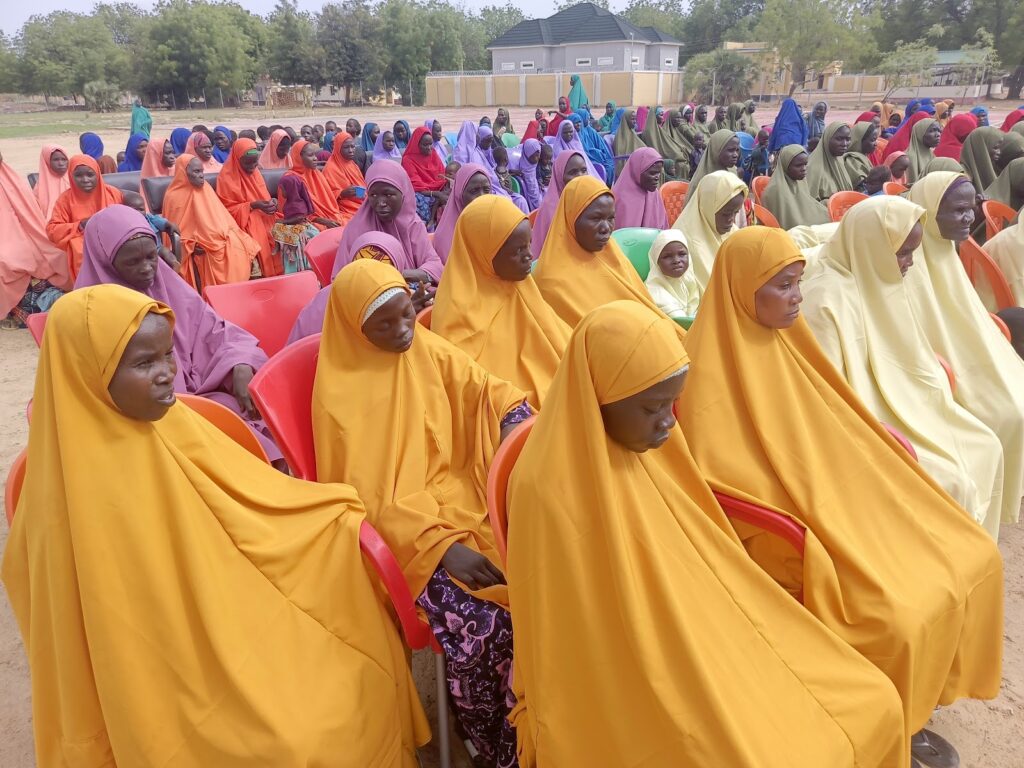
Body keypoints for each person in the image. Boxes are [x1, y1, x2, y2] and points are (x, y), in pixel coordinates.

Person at [2, 282, 428, 767]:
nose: (169, 375)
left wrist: (331, 519)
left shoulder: (174, 422)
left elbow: (256, 502)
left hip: (238, 609)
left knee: (356, 659)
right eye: (145, 364)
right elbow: (119, 647)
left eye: (166, 356)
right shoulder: (63, 506)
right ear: (87, 374)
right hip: (171, 680)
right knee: (295, 742)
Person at [506, 299, 907, 768]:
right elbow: (579, 638)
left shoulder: (643, 444)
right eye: (652, 408)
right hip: (637, 661)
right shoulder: (548, 491)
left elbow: (693, 538)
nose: (670, 423)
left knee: (872, 699)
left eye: (672, 404)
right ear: (596, 398)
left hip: (696, 614)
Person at [678, 225, 1004, 766]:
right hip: (800, 524)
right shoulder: (707, 375)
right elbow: (723, 483)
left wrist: (876, 461)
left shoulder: (790, 342)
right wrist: (817, 513)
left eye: (797, 282)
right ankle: (896, 714)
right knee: (897, 613)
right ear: (740, 289)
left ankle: (923, 698)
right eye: (782, 286)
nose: (797, 298)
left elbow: (839, 415)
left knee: (972, 554)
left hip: (844, 499)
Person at [313, 259, 530, 767]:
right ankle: (494, 744)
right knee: (487, 626)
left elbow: (485, 388)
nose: (402, 331)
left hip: (463, 496)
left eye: (407, 315)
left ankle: (538, 714)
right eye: (383, 325)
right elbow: (365, 499)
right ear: (355, 330)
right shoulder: (341, 398)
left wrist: (513, 422)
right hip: (407, 536)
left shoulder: (422, 348)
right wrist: (443, 547)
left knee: (551, 568)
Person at [802, 195, 1006, 530]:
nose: (910, 261)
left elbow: (911, 354)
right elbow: (829, 393)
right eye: (902, 252)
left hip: (907, 403)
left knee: (986, 445)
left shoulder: (885, 278)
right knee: (953, 481)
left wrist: (928, 392)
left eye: (912, 251)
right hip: (868, 422)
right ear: (871, 246)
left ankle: (973, 548)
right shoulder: (825, 300)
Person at [74, 205, 281, 464]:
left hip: (198, 400)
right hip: (139, 422)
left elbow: (218, 331)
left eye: (152, 256)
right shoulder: (87, 313)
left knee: (257, 427)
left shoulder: (169, 286)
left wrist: (240, 362)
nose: (148, 268)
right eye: (132, 262)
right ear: (106, 261)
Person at [906, 172, 1024, 531]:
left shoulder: (945, 252)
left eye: (971, 208)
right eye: (957, 210)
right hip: (938, 369)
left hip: (968, 356)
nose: (969, 218)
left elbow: (968, 322)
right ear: (928, 212)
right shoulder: (908, 259)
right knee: (1006, 411)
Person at [432, 195, 569, 408]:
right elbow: (469, 386)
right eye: (517, 251)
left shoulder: (521, 286)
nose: (529, 256)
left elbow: (558, 340)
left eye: (529, 245)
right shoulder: (457, 312)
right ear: (484, 254)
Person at [534, 175, 684, 339]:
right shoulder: (550, 280)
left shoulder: (613, 257)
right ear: (571, 218)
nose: (606, 228)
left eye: (611, 218)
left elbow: (644, 308)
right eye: (596, 218)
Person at [331, 161, 443, 282]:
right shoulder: (357, 228)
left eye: (388, 194)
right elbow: (341, 279)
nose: (381, 203)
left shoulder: (413, 224)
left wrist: (398, 275)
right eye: (373, 195)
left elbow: (435, 266)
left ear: (403, 194)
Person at [162, 155, 261, 288]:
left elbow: (224, 220)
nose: (201, 176)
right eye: (196, 172)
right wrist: (190, 245)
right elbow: (173, 234)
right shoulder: (173, 196)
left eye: (202, 171)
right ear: (183, 173)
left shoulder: (206, 188)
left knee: (241, 243)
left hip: (218, 239)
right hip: (196, 247)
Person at [0, 149, 69, 322]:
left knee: (55, 253)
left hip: (28, 234)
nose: (61, 163)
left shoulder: (12, 182)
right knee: (6, 260)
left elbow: (31, 217)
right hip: (7, 239)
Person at [47, 155, 124, 280]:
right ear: (71, 176)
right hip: (83, 239)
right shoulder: (65, 200)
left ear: (98, 174)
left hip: (112, 236)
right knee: (78, 248)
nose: (85, 180)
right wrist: (80, 225)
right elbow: (52, 230)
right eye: (78, 176)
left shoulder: (113, 193)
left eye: (90, 174)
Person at [673, 170, 747, 295]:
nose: (731, 220)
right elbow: (712, 293)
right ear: (707, 207)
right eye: (725, 214)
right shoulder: (686, 242)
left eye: (736, 213)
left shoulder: (732, 232)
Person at [216, 138, 281, 278]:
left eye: (255, 162)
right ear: (237, 159)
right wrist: (252, 205)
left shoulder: (256, 173)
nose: (253, 166)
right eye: (248, 163)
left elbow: (264, 197)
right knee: (255, 223)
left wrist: (273, 202)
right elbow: (226, 211)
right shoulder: (226, 177)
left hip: (265, 216)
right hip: (241, 222)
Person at [529, 150, 590, 259]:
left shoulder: (589, 202)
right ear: (560, 176)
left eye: (584, 170)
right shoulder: (551, 208)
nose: (580, 176)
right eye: (573, 172)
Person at [431, 163, 493, 264]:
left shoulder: (495, 226)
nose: (482, 197)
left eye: (486, 190)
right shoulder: (446, 237)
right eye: (474, 191)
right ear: (459, 194)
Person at [761, 145, 830, 229]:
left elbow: (806, 205)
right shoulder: (776, 191)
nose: (804, 168)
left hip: (804, 222)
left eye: (805, 164)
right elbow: (787, 223)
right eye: (798, 165)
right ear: (786, 165)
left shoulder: (800, 181)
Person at [644, 229, 698, 319]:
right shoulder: (654, 290)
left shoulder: (689, 281)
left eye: (682, 254)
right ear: (656, 261)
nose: (676, 260)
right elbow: (682, 321)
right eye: (667, 256)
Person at [610, 147, 669, 230]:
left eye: (658, 173)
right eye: (652, 173)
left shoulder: (654, 194)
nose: (657, 178)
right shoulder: (621, 198)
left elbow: (663, 228)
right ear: (637, 171)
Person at [401, 126, 449, 226]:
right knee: (416, 201)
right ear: (417, 145)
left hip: (439, 189)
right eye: (425, 145)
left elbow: (442, 176)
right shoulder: (408, 160)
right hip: (422, 193)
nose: (429, 147)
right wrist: (436, 194)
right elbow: (416, 185)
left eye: (430, 144)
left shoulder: (433, 154)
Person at [683, 130, 740, 206]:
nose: (735, 155)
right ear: (716, 150)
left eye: (737, 150)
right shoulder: (701, 183)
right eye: (730, 150)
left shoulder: (732, 172)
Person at [321, 130, 366, 223]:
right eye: (346, 147)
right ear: (338, 148)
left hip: (361, 203)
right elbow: (324, 196)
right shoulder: (330, 169)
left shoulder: (352, 164)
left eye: (352, 147)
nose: (351, 150)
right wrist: (341, 193)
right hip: (343, 209)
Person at [805, 122, 854, 200]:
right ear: (827, 139)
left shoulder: (839, 162)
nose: (844, 144)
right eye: (839, 139)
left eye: (847, 139)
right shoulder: (812, 168)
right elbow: (808, 202)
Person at [33, 144, 70, 220]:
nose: (61, 163)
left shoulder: (74, 180)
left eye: (64, 159)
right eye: (56, 160)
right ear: (47, 162)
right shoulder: (39, 189)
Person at [843, 122, 878, 191]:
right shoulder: (851, 160)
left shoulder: (863, 157)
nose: (876, 144)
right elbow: (863, 189)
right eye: (872, 140)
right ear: (859, 140)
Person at [905, 119, 941, 183]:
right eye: (932, 131)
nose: (938, 134)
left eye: (939, 131)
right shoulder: (910, 157)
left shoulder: (931, 155)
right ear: (920, 134)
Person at [612, 109, 646, 175]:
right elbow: (621, 156)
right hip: (629, 164)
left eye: (635, 119)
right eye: (632, 119)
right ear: (626, 120)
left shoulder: (632, 132)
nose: (635, 122)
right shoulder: (620, 136)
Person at [514, 138, 543, 211]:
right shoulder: (524, 169)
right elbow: (532, 192)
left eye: (539, 154)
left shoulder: (535, 164)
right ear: (528, 155)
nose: (538, 158)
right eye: (535, 156)